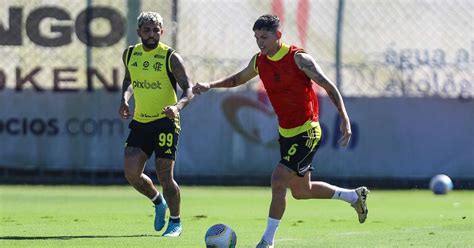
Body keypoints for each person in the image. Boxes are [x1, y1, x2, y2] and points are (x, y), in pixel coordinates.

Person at [193, 14, 369, 247]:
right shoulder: (259, 61)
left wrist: (344, 118)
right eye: (256, 37)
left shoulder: (298, 58)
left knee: (278, 180)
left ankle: (267, 241)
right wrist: (210, 85)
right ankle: (353, 196)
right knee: (301, 191)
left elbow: (328, 85)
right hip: (286, 133)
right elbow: (238, 79)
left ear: (278, 35)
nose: (260, 42)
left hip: (308, 131)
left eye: (264, 37)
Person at [118, 11, 193, 237]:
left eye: (156, 30)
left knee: (164, 176)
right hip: (140, 122)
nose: (152, 34)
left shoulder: (170, 57)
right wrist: (124, 98)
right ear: (139, 32)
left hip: (165, 122)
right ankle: (158, 201)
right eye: (147, 30)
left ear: (162, 31)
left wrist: (176, 108)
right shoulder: (130, 54)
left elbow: (188, 89)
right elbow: (129, 80)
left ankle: (176, 222)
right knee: (131, 173)